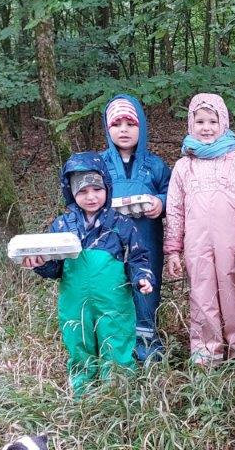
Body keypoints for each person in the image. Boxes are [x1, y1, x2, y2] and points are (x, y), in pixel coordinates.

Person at [24, 153, 154, 397]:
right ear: (71, 192)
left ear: (107, 187)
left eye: (97, 189)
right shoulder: (62, 227)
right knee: (78, 339)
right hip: (75, 302)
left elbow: (138, 257)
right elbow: (55, 268)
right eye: (83, 191)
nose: (91, 196)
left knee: (116, 338)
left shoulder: (121, 224)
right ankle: (83, 391)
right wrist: (39, 264)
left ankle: (118, 391)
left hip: (114, 301)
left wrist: (142, 278)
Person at [163, 94, 235, 364]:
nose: (206, 128)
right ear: (190, 124)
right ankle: (206, 356)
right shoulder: (184, 166)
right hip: (197, 245)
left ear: (223, 122)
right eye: (200, 121)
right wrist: (173, 250)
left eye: (212, 121)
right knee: (202, 298)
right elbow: (174, 210)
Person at [99, 94, 171, 362]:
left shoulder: (155, 165)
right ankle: (117, 346)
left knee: (146, 288)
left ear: (141, 126)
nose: (124, 130)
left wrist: (160, 203)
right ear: (108, 130)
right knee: (114, 288)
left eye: (131, 124)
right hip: (110, 240)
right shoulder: (99, 165)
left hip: (147, 238)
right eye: (117, 125)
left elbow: (173, 193)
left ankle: (147, 344)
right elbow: (84, 196)